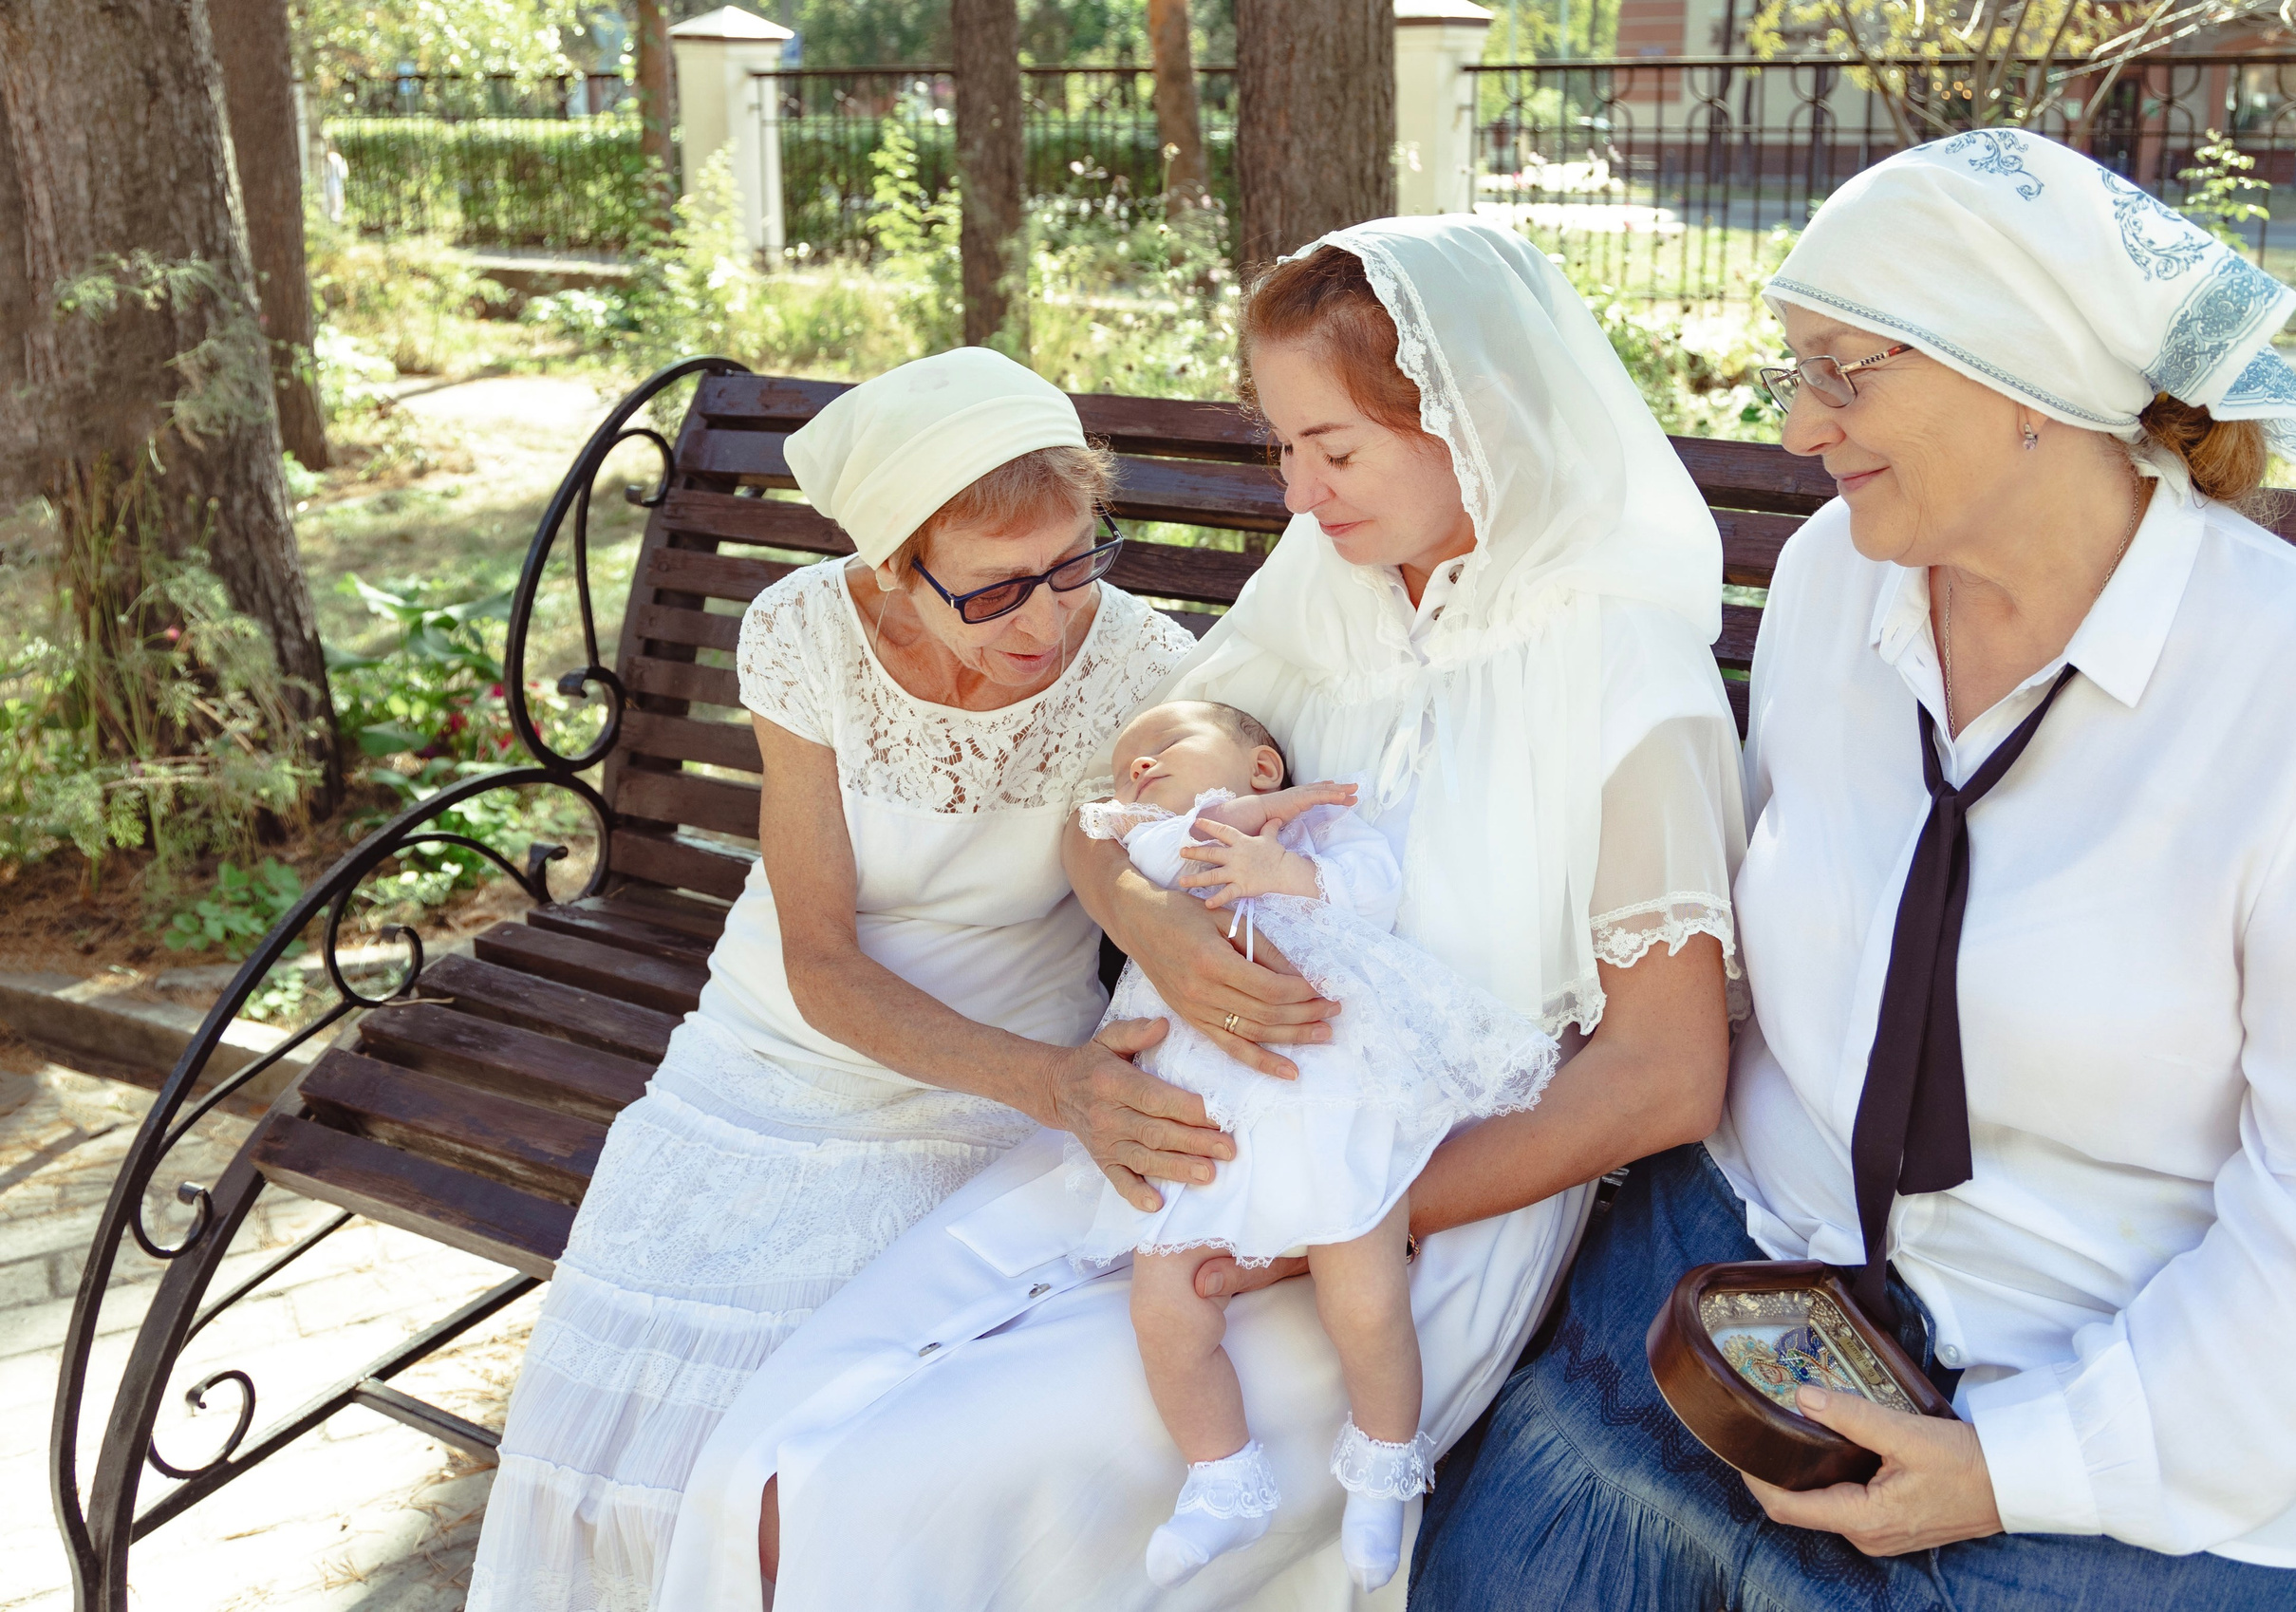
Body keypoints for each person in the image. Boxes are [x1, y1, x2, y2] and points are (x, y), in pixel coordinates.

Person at [657, 216, 1748, 1610]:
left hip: (1399, 1229)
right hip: (1165, 1144)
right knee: (766, 1457)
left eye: (1335, 450)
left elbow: (1665, 1074)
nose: (1301, 496)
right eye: (1282, 449)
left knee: (885, 1496)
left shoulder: (1624, 673)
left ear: (1469, 420)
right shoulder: (1323, 590)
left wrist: (1345, 1208)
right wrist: (1152, 925)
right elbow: (1105, 815)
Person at [1411, 129, 2296, 1612]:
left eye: (1845, 369)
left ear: (2026, 379)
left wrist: (2011, 1463)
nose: (1800, 427)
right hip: (1765, 1278)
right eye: (1796, 369)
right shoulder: (1839, 576)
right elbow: (1744, 944)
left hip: (2127, 1368)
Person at [464, 347, 1202, 1612]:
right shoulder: (803, 630)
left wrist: (1091, 1048)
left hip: (999, 1077)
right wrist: (1056, 1087)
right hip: (778, 1043)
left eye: (1077, 559)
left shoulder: (1141, 660)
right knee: (622, 1435)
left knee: (818, 1458)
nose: (1047, 619)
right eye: (996, 590)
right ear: (891, 572)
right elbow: (821, 959)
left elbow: (1139, 862)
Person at [1075, 699, 1560, 1592]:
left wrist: (1282, 865)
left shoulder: (1324, 829)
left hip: (1324, 1098)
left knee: (1366, 1299)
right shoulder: (1164, 849)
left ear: (1264, 767)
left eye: (1164, 747)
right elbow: (1143, 851)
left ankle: (1382, 1468)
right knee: (1165, 1306)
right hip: (1207, 1109)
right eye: (1124, 766)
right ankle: (1221, 1479)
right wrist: (1225, 825)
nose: (1137, 768)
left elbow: (1374, 891)